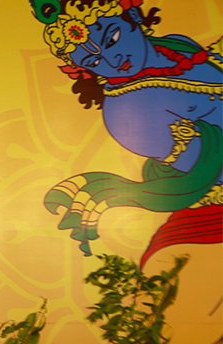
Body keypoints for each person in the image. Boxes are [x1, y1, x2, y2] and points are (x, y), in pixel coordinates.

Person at [34, 0, 222, 265]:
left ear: (132, 14)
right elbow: (211, 163)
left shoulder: (175, 47)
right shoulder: (125, 113)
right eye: (93, 61)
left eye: (113, 38)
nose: (113, 61)